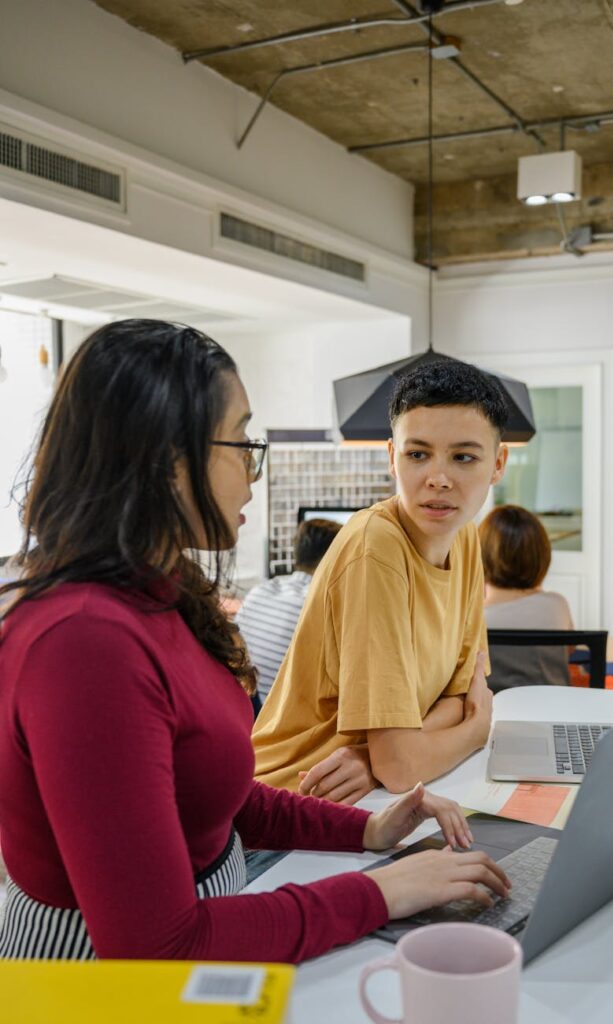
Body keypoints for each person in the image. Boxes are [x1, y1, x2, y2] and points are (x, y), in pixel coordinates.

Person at [0, 321, 510, 963]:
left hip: (217, 918)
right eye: (241, 441)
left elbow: (218, 792)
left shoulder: (160, 592)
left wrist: (370, 830)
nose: (253, 467)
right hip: (96, 978)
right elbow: (154, 945)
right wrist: (380, 892)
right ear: (166, 459)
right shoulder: (84, 642)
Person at [252, 359, 509, 804]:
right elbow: (406, 763)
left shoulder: (463, 535)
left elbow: (461, 695)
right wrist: (473, 732)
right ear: (393, 457)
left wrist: (375, 756)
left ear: (497, 463)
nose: (439, 479)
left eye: (463, 457)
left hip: (368, 797)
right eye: (417, 454)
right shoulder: (377, 549)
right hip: (293, 802)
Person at [235, 518, 342, 708]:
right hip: (281, 723)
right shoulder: (324, 605)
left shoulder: (260, 590)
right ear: (337, 559)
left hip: (248, 713)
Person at [480, 504, 575, 692]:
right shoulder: (557, 606)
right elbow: (568, 651)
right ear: (542, 555)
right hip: (550, 711)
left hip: (493, 717)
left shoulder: (473, 619)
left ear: (480, 556)